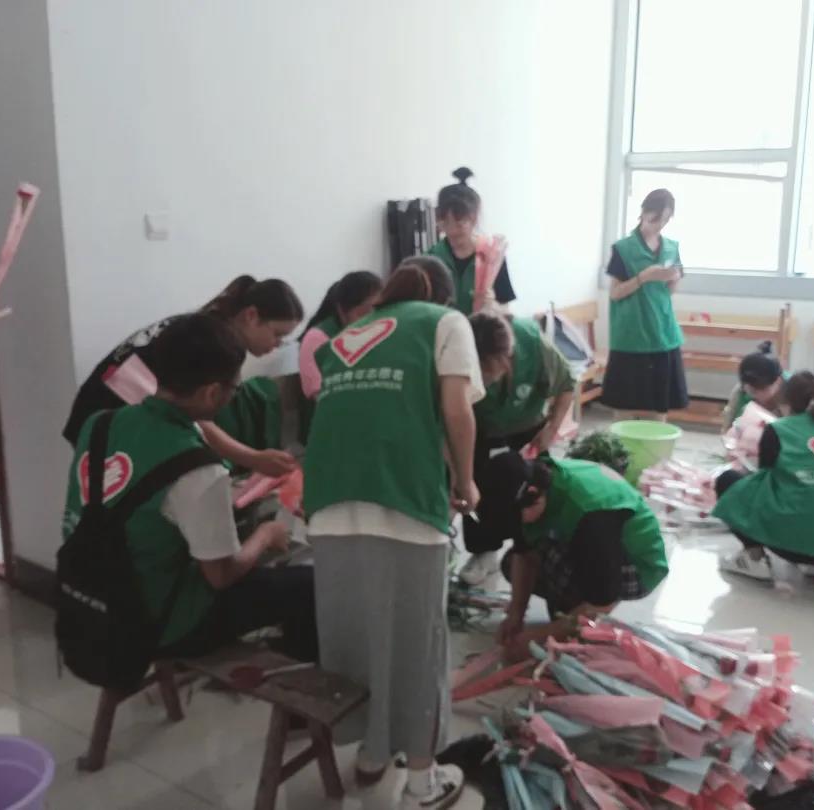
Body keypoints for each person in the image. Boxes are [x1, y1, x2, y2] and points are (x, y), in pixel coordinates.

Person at [305, 255, 498, 809]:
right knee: (418, 647)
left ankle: (371, 754)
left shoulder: (346, 335)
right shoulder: (445, 322)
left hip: (329, 504)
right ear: (442, 295)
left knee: (357, 640)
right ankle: (421, 781)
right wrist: (467, 482)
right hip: (405, 502)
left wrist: (451, 475)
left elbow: (400, 416)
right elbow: (456, 412)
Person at [63, 314, 318, 666]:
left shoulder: (99, 424)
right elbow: (221, 576)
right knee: (309, 586)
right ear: (212, 392)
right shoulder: (198, 469)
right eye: (235, 389)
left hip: (84, 599)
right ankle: (296, 684)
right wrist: (265, 536)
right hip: (156, 623)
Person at [62, 276, 303, 476]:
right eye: (277, 335)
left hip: (102, 417)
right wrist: (254, 458)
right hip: (106, 419)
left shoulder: (208, 326)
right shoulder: (214, 342)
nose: (277, 345)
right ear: (251, 315)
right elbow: (195, 417)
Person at [479, 451, 668, 662]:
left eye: (516, 519)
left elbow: (603, 602)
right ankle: (569, 605)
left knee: (570, 590)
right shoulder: (527, 482)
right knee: (511, 562)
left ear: (534, 493)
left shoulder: (591, 516)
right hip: (592, 541)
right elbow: (524, 554)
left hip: (638, 564)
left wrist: (539, 638)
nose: (518, 526)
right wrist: (516, 614)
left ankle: (573, 609)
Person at [457, 312, 576, 586]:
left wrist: (551, 428)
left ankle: (533, 551)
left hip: (528, 426)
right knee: (479, 488)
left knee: (532, 490)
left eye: (488, 372)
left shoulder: (532, 343)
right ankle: (484, 552)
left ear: (506, 358)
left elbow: (567, 383)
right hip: (481, 428)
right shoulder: (459, 347)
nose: (484, 380)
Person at [714, 372, 814, 582]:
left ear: (785, 402)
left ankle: (754, 558)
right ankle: (813, 564)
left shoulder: (780, 429)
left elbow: (764, 476)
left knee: (728, 480)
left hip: (791, 542)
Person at [602, 189, 688, 420]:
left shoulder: (671, 247)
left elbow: (669, 292)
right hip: (631, 335)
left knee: (660, 405)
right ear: (643, 212)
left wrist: (673, 279)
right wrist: (644, 277)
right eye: (655, 218)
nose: (659, 225)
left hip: (662, 333)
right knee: (624, 404)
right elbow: (615, 294)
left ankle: (656, 442)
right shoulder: (623, 249)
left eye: (665, 220)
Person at [426, 167, 516, 315]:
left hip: (481, 327)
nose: (452, 231)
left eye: (459, 223)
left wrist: (492, 305)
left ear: (473, 218)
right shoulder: (432, 257)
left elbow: (507, 312)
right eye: (445, 223)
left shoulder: (492, 257)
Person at [298, 270, 382, 400]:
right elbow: (319, 395)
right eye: (363, 314)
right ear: (342, 311)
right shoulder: (317, 338)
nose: (371, 321)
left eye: (378, 313)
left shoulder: (382, 333)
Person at [722, 342, 788, 428]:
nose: (758, 396)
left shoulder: (793, 391)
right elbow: (729, 427)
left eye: (763, 389)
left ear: (778, 381)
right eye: (752, 391)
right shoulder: (741, 391)